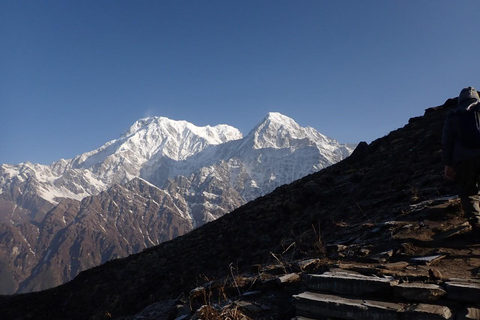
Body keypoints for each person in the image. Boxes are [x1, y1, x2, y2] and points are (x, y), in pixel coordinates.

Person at [442, 86, 480, 234]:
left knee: (469, 193)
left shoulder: (454, 115)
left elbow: (447, 142)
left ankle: (477, 226)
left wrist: (447, 164)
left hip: (463, 159)